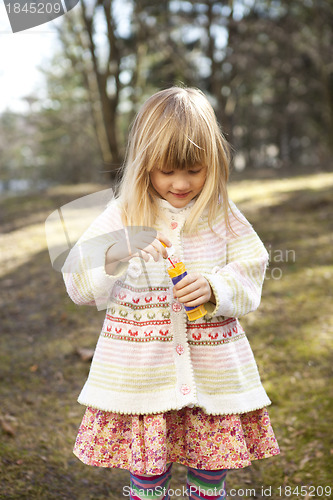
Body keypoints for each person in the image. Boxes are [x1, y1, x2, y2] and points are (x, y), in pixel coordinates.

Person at [62, 87, 280, 500]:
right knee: (149, 474)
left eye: (194, 171)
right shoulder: (123, 212)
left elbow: (253, 268)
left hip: (211, 372)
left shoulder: (219, 211)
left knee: (209, 469)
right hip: (144, 373)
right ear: (145, 165)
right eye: (166, 171)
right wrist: (115, 252)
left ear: (213, 164)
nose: (180, 184)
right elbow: (77, 282)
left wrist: (216, 287)